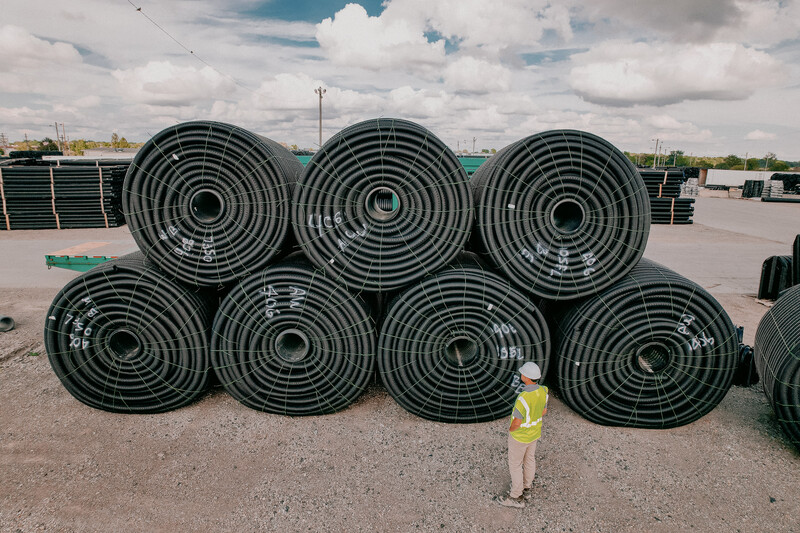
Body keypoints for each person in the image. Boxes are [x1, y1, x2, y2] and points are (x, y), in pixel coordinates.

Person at [498, 362, 548, 508]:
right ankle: (527, 488)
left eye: (522, 373)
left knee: (515, 465)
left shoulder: (523, 398)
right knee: (529, 460)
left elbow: (517, 422)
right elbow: (543, 412)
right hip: (534, 434)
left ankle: (515, 497)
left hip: (520, 437)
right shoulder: (544, 391)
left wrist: (511, 430)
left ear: (526, 377)